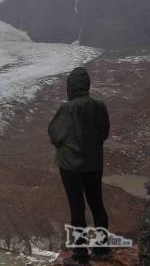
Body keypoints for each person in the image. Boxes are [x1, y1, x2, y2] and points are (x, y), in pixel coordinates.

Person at [48, 66, 111, 266]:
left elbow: (55, 134)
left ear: (71, 86)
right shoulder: (100, 106)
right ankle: (102, 249)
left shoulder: (68, 109)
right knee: (97, 205)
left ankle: (80, 256)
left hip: (71, 166)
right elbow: (103, 133)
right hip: (94, 163)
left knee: (77, 209)